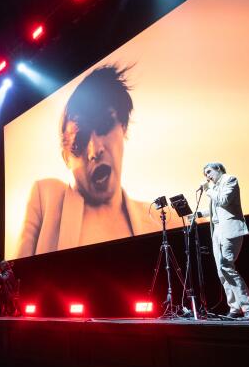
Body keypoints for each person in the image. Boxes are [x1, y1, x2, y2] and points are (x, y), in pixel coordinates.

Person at [16, 65, 169, 257]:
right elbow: (18, 275)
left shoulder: (160, 219)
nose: (95, 150)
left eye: (104, 126)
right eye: (79, 141)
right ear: (66, 159)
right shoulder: (46, 197)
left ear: (123, 127)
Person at [196, 162, 249, 321]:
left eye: (209, 172)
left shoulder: (230, 180)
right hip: (217, 231)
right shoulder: (215, 187)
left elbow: (224, 200)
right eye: (205, 174)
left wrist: (208, 190)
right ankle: (235, 308)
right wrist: (197, 214)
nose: (207, 176)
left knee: (226, 265)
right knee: (221, 271)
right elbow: (215, 208)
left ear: (218, 169)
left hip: (230, 228)